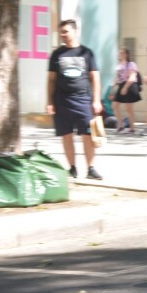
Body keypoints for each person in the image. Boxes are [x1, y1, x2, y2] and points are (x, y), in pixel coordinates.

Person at [46, 19, 103, 179]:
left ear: (75, 31)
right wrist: (50, 101)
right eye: (61, 32)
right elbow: (51, 80)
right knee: (66, 135)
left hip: (83, 100)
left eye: (66, 31)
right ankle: (72, 168)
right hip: (62, 101)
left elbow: (95, 78)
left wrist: (96, 100)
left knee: (88, 135)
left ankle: (90, 168)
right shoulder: (57, 54)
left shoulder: (87, 53)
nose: (63, 35)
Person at [108, 47, 141, 134]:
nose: (120, 54)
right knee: (114, 106)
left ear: (126, 54)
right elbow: (118, 78)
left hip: (130, 86)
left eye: (122, 53)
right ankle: (121, 126)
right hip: (121, 85)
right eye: (119, 53)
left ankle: (132, 128)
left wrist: (125, 87)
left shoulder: (131, 64)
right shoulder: (119, 65)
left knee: (129, 108)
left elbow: (132, 77)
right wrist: (112, 89)